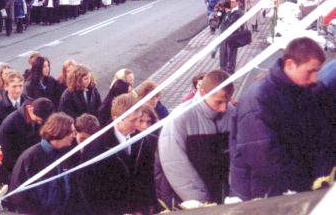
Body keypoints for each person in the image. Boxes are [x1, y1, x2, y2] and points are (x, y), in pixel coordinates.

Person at [229, 38, 333, 201]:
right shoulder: (259, 98)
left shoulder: (309, 91)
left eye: (317, 72)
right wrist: (308, 183)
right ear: (290, 64)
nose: (314, 78)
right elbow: (266, 159)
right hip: (264, 193)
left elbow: (322, 136)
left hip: (297, 187)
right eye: (310, 71)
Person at [156, 70, 235, 206]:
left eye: (227, 102)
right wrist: (203, 204)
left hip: (226, 199)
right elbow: (176, 166)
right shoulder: (180, 118)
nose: (224, 108)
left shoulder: (232, 113)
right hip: (191, 203)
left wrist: (234, 194)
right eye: (219, 102)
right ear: (203, 93)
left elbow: (239, 159)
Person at [82, 93, 153, 214]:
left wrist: (143, 208)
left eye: (139, 119)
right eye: (133, 120)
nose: (138, 125)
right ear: (116, 119)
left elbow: (147, 177)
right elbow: (89, 191)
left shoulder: (141, 140)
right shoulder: (96, 147)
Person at [9, 112, 76, 214]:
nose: (74, 136)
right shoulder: (29, 158)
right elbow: (19, 197)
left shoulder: (66, 154)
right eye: (71, 132)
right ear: (59, 132)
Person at [0, 97, 55, 182]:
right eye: (39, 120)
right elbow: (6, 154)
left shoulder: (39, 114)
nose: (40, 123)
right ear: (30, 110)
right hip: (17, 169)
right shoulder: (10, 124)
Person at [0, 70, 28, 142]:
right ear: (6, 87)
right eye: (14, 86)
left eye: (20, 86)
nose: (18, 90)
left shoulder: (29, 104)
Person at [219, 0, 243, 74]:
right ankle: (223, 72)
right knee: (223, 56)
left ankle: (230, 74)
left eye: (233, 2)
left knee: (231, 57)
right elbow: (222, 22)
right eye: (230, 2)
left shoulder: (239, 12)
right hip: (224, 37)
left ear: (237, 2)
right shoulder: (229, 11)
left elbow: (231, 23)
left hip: (232, 38)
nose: (231, 3)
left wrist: (228, 12)